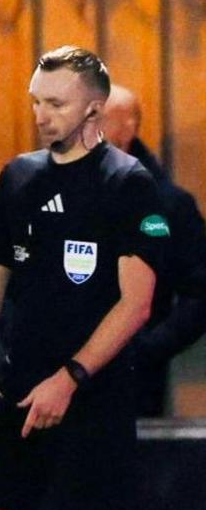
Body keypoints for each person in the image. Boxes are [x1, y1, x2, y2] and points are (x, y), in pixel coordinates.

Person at [0, 46, 167, 510]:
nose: (42, 115)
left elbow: (136, 305)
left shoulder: (127, 182)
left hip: (93, 395)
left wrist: (70, 378)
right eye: (36, 101)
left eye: (56, 104)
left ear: (95, 109)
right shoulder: (19, 176)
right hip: (21, 388)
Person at [103, 84, 206, 416]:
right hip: (50, 372)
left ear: (128, 127)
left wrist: (146, 350)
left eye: (99, 118)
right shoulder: (51, 189)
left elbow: (200, 291)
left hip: (132, 384)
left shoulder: (169, 205)